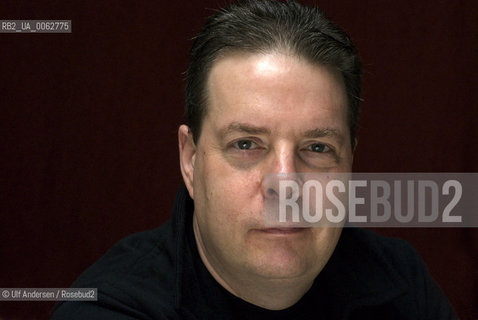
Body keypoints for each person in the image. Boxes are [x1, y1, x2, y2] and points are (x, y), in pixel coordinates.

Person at [51, 0, 457, 319]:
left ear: (350, 163)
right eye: (246, 144)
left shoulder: (400, 285)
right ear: (190, 161)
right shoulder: (110, 308)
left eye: (317, 148)